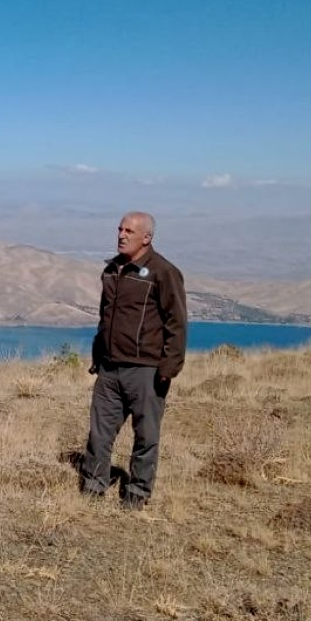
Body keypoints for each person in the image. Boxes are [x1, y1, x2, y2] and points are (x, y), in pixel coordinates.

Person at [79, 211, 186, 511]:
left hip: (146, 371)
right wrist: (98, 356)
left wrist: (168, 368)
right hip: (109, 368)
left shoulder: (163, 272)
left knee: (146, 435)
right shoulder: (112, 270)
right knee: (99, 433)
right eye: (119, 229)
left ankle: (137, 494)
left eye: (129, 231)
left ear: (146, 238)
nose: (121, 235)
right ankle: (93, 487)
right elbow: (105, 318)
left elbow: (176, 322)